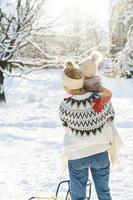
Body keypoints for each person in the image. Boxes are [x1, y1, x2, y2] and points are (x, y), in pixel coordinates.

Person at [59, 60, 123, 200]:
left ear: (68, 86)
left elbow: (65, 126)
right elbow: (111, 116)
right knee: (104, 193)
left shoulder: (64, 106)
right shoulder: (99, 99)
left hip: (77, 156)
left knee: (78, 197)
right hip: (100, 153)